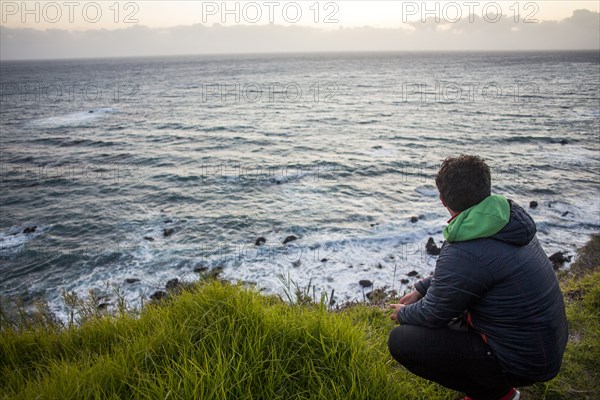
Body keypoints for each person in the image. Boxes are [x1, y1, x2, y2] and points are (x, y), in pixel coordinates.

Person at [388, 155, 568, 400]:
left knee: (402, 340)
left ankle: (498, 393)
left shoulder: (464, 247)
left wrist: (403, 313)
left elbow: (432, 314)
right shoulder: (505, 220)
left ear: (442, 200)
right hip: (544, 347)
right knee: (454, 310)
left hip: (522, 362)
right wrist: (421, 287)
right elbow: (471, 271)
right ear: (486, 189)